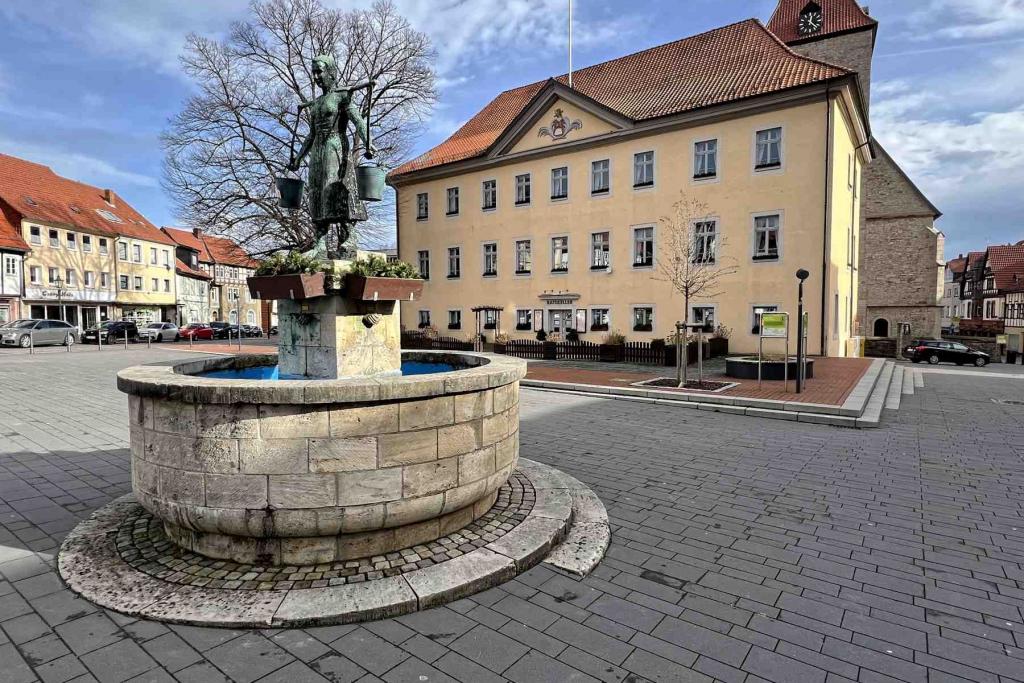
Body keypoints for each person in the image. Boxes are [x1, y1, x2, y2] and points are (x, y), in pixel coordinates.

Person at [287, 54, 376, 257]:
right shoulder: (316, 103)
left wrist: (368, 140)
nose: (316, 76)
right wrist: (299, 157)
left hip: (335, 146)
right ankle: (320, 243)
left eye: (319, 71)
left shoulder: (342, 95)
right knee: (316, 191)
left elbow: (357, 120)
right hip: (318, 149)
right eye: (314, 73)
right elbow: (311, 135)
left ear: (331, 72)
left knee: (334, 188)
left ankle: (349, 237)